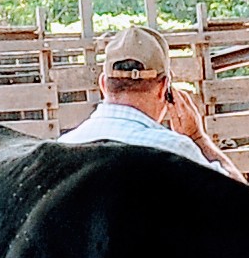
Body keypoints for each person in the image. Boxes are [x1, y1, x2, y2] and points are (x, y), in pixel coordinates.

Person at [67, 23, 219, 164]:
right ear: (163, 88)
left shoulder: (62, 148)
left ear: (103, 84)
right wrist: (197, 137)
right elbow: (236, 191)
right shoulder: (176, 150)